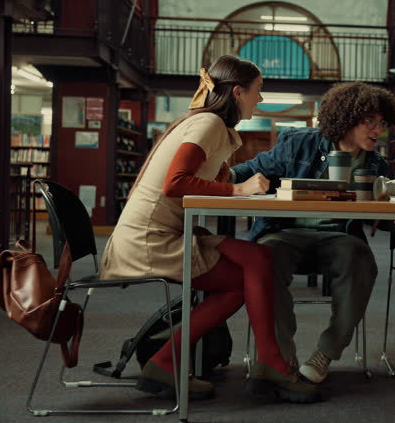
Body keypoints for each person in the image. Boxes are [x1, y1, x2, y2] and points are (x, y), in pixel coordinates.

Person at [100, 55, 320, 403]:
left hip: (166, 230)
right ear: (237, 92)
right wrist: (238, 189)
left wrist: (232, 181)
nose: (260, 99)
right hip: (150, 240)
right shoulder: (208, 125)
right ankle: (262, 363)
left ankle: (253, 361)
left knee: (258, 257)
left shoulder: (211, 125)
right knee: (244, 279)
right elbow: (176, 183)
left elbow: (202, 176)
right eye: (257, 91)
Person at [230, 81, 395, 385]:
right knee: (264, 258)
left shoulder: (377, 163)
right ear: (347, 118)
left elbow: (381, 215)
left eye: (383, 123)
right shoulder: (299, 142)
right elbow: (251, 169)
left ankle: (325, 353)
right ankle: (281, 358)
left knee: (361, 258)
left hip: (339, 237)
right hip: (286, 232)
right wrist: (220, 178)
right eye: (369, 121)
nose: (378, 130)